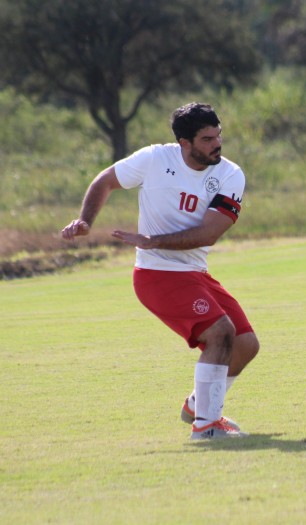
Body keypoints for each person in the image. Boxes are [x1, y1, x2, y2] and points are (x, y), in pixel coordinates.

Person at [62, 102, 259, 438]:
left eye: (218, 136)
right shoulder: (155, 158)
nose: (217, 144)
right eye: (207, 139)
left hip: (194, 272)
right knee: (220, 334)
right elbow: (105, 181)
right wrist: (85, 221)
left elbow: (209, 233)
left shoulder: (230, 174)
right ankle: (207, 427)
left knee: (245, 344)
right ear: (185, 143)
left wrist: (154, 239)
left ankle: (198, 406)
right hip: (156, 275)